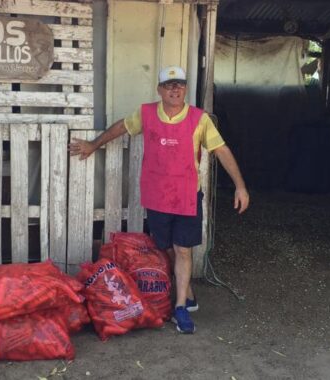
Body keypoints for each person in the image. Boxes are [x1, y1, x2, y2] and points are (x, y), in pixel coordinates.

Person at [69, 66, 249, 334]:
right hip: (157, 197)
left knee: (183, 249)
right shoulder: (146, 113)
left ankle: (180, 309)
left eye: (179, 84)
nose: (175, 89)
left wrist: (240, 186)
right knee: (164, 248)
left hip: (187, 196)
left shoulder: (200, 119)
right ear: (160, 90)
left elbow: (221, 150)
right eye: (169, 85)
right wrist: (95, 144)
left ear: (185, 88)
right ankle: (186, 292)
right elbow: (121, 127)